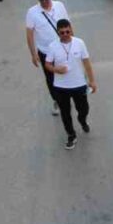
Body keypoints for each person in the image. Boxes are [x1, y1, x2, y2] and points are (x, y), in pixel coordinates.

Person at [42, 18, 96, 150]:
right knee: (65, 113)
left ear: (71, 29)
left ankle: (82, 120)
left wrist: (92, 81)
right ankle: (71, 135)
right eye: (62, 32)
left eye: (67, 31)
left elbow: (87, 63)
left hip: (79, 85)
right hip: (61, 87)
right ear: (58, 33)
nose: (65, 34)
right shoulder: (52, 46)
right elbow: (47, 64)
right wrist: (56, 69)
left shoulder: (79, 43)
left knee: (84, 109)